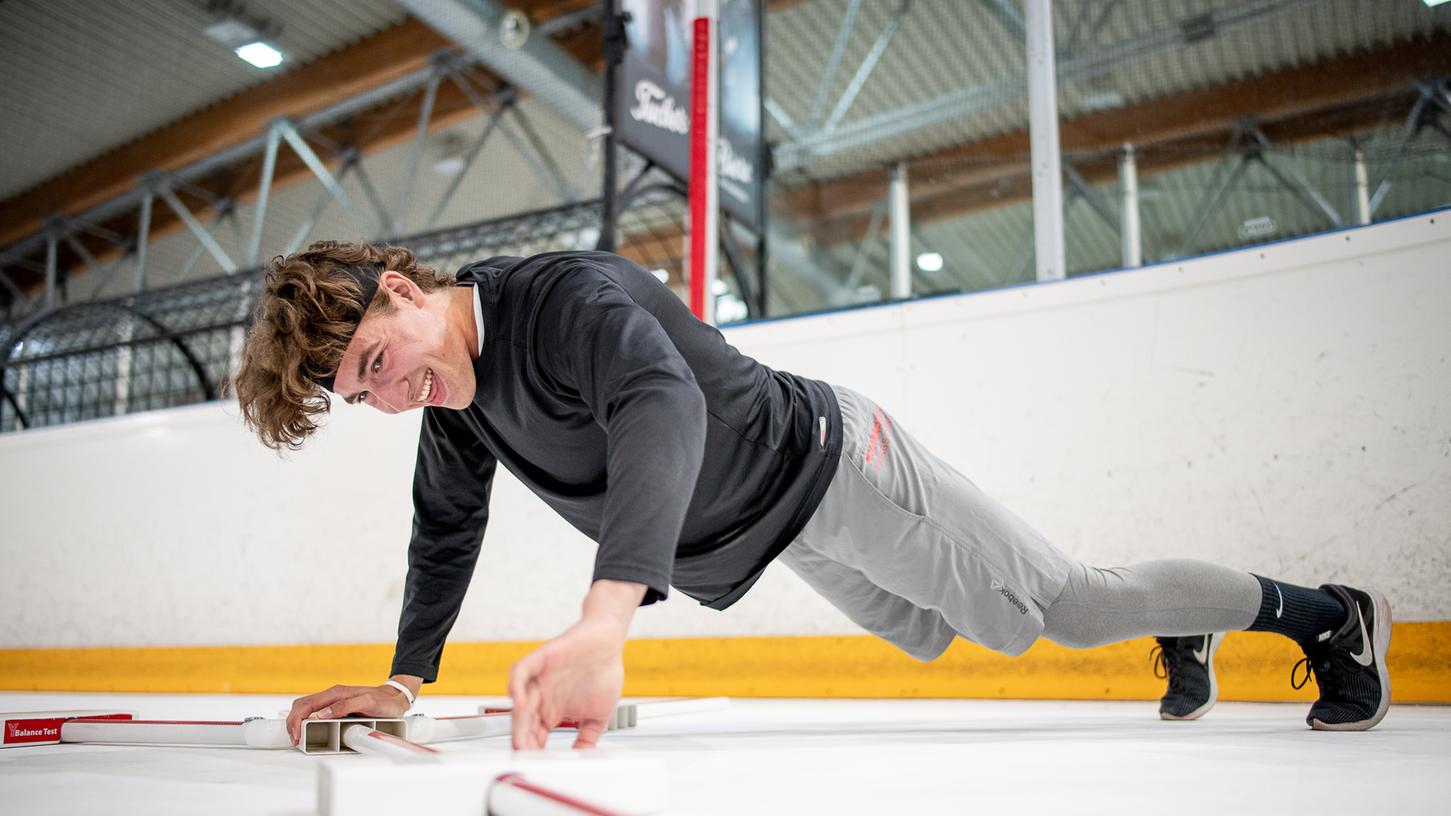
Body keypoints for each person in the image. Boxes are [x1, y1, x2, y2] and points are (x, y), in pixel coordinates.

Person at [233, 241, 1392, 750]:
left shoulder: (564, 303)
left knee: (1067, 608)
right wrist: (402, 679)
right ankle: (1173, 615)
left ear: (401, 290)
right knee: (950, 636)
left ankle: (1326, 617)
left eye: (375, 366)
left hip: (839, 465)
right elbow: (445, 531)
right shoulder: (460, 398)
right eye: (358, 397)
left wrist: (603, 622)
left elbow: (662, 409)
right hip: (780, 534)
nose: (387, 399)